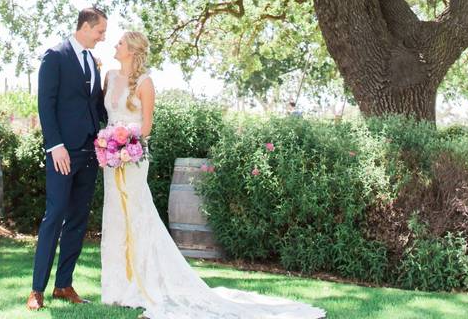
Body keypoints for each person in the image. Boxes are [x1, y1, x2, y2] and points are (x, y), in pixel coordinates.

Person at [100, 31, 326, 319]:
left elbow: (146, 128)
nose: (115, 46)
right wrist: (108, 145)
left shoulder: (145, 83)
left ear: (132, 50)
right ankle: (116, 289)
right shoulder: (109, 76)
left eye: (119, 42)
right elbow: (105, 115)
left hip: (132, 158)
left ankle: (143, 285)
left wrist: (125, 147)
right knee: (115, 219)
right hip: (110, 160)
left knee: (137, 216)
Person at [26, 7, 108, 311]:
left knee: (77, 220)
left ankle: (64, 285)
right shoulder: (55, 56)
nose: (102, 38)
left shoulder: (92, 61)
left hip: (89, 150)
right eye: (100, 32)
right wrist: (55, 145)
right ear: (86, 27)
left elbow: (95, 105)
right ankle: (37, 290)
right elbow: (45, 105)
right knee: (55, 215)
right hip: (62, 152)